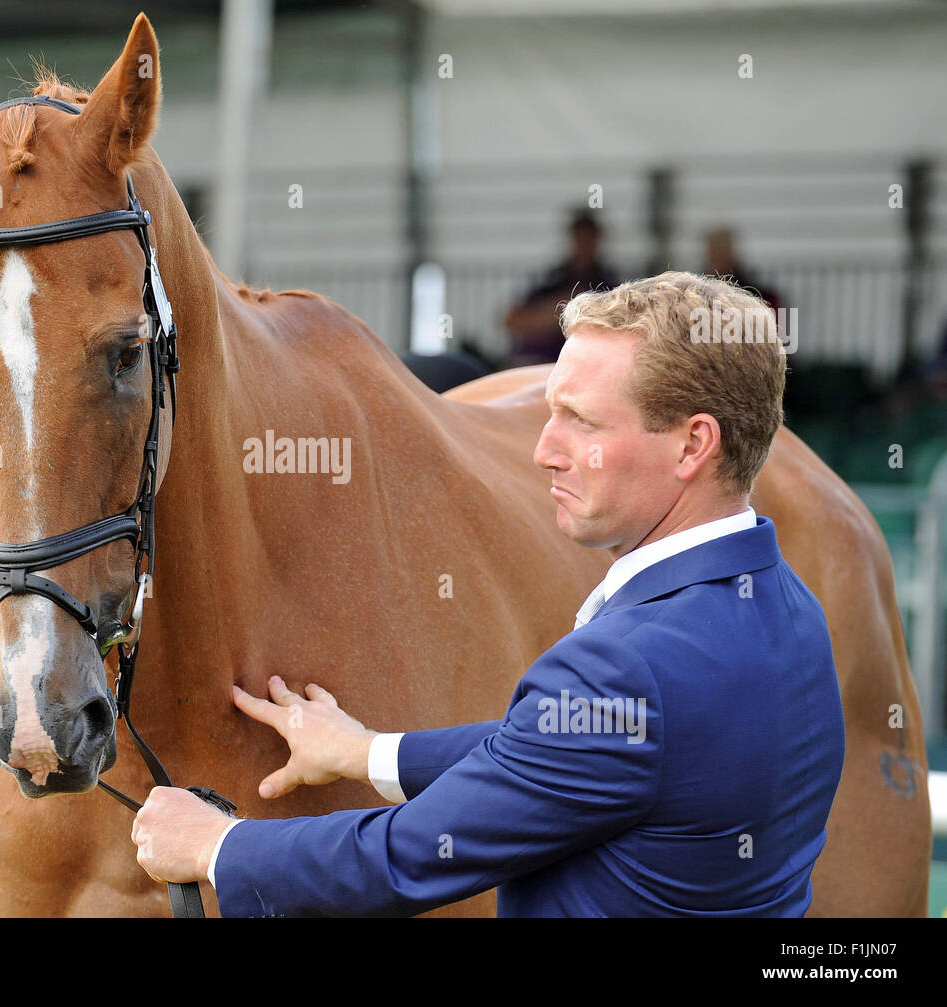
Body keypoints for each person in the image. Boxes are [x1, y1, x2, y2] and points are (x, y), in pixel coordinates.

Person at [131, 271, 845, 917]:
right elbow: (576, 750)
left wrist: (220, 847)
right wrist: (371, 753)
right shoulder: (793, 610)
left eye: (582, 421)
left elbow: (405, 857)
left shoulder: (625, 671)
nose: (544, 449)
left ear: (693, 446)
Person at [502, 209, 618, 367]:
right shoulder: (551, 280)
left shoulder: (608, 284)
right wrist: (557, 312)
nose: (584, 244)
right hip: (539, 362)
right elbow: (511, 320)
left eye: (589, 238)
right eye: (580, 237)